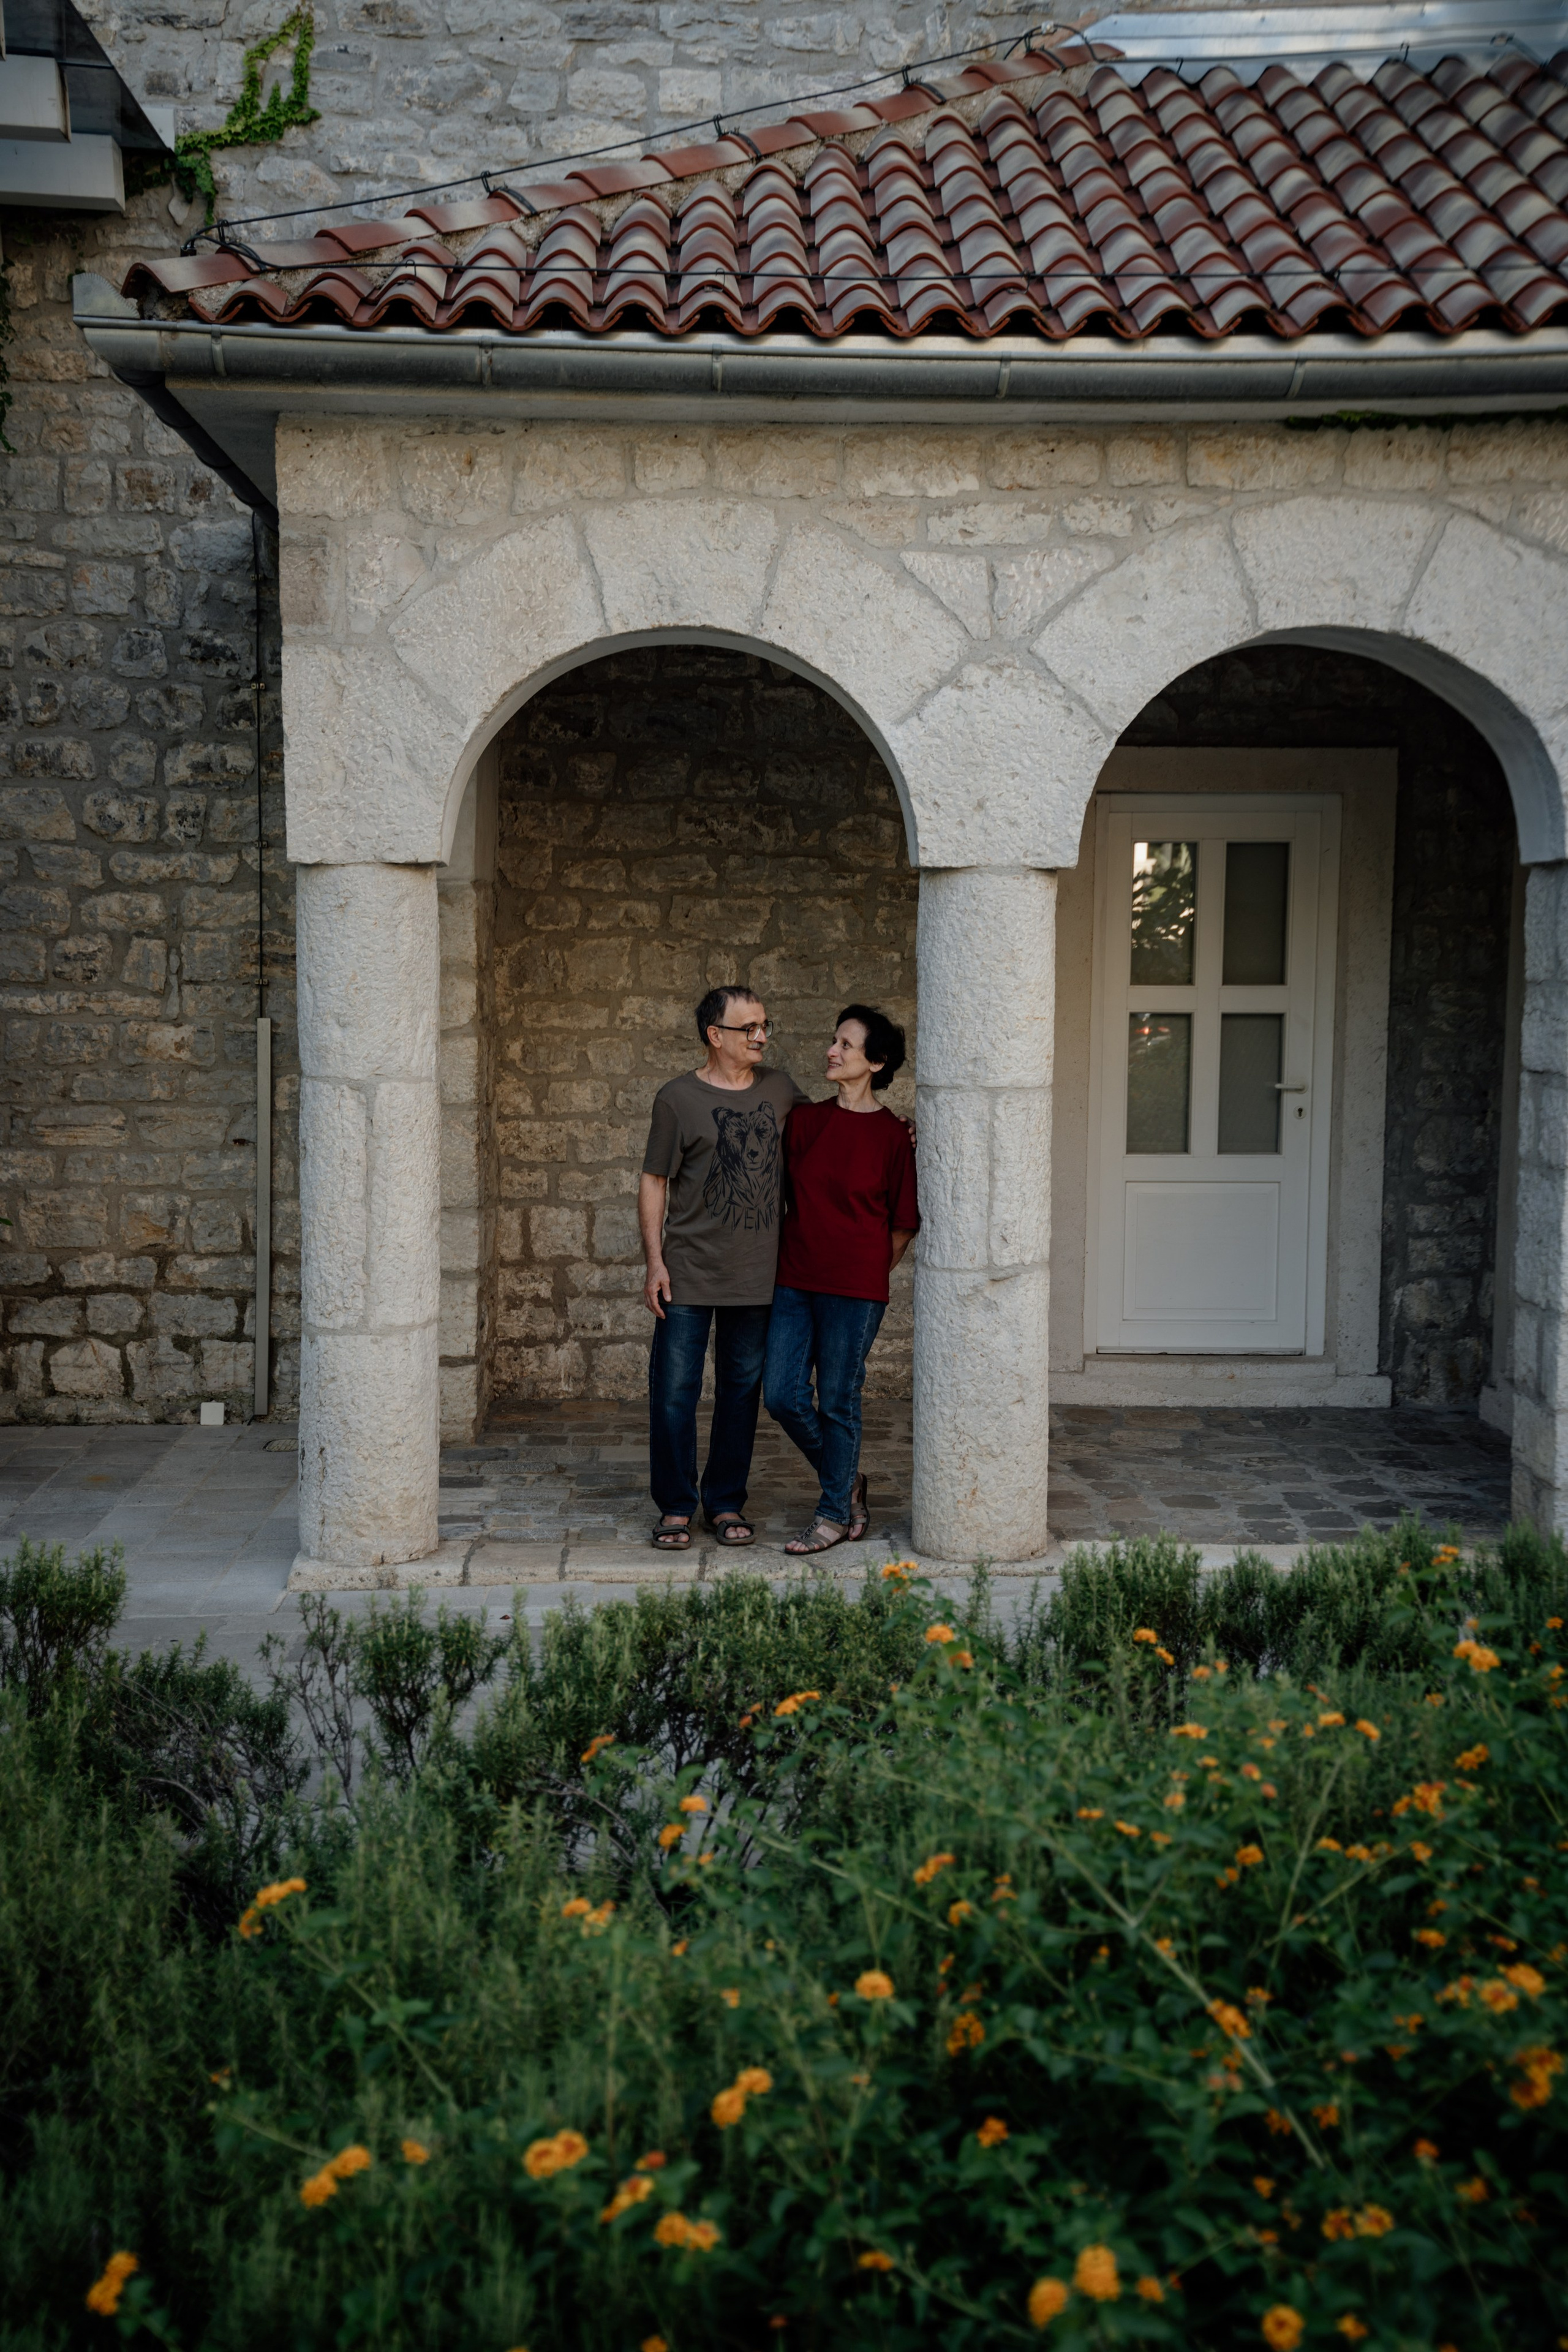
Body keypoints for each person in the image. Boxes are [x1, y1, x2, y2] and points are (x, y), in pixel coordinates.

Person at [639, 986, 809, 1550]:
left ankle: (726, 1501)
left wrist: (893, 1127)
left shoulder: (781, 1091)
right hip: (688, 1271)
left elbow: (829, 1133)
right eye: (749, 1028)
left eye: (765, 1025)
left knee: (741, 1393)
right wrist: (655, 1262)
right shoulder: (677, 1099)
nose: (762, 1036)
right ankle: (676, 1505)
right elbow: (654, 1181)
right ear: (716, 1036)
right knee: (674, 1392)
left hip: (759, 1276)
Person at [764, 1005, 919, 1556]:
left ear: (875, 1062)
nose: (832, 1051)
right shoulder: (805, 1122)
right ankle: (848, 1480)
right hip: (795, 1280)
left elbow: (903, 1225)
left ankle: (833, 1512)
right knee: (781, 1393)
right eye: (835, 1042)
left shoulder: (893, 1137)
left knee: (837, 1398)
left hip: (855, 1290)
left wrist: (866, 1273)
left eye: (846, 1046)